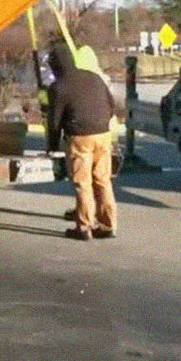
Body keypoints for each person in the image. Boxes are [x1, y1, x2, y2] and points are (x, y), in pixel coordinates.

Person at [46, 45, 118, 240]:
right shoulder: (93, 77)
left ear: (55, 67)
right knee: (103, 181)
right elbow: (111, 105)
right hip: (103, 135)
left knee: (83, 183)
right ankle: (108, 225)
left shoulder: (59, 87)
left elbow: (54, 122)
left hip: (80, 137)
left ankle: (84, 227)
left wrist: (52, 146)